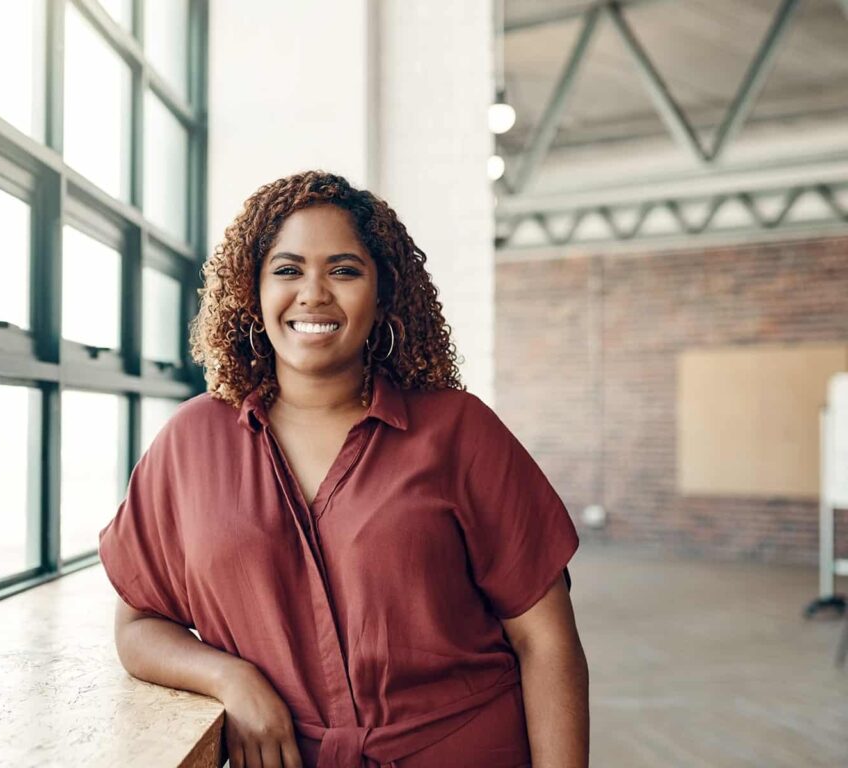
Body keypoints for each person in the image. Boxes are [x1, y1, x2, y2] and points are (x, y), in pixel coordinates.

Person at [98, 170, 589, 768]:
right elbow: (139, 626)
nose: (313, 294)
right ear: (252, 294)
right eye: (287, 269)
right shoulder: (190, 441)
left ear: (382, 296)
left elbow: (545, 640)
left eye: (344, 270)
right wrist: (232, 680)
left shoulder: (461, 431)